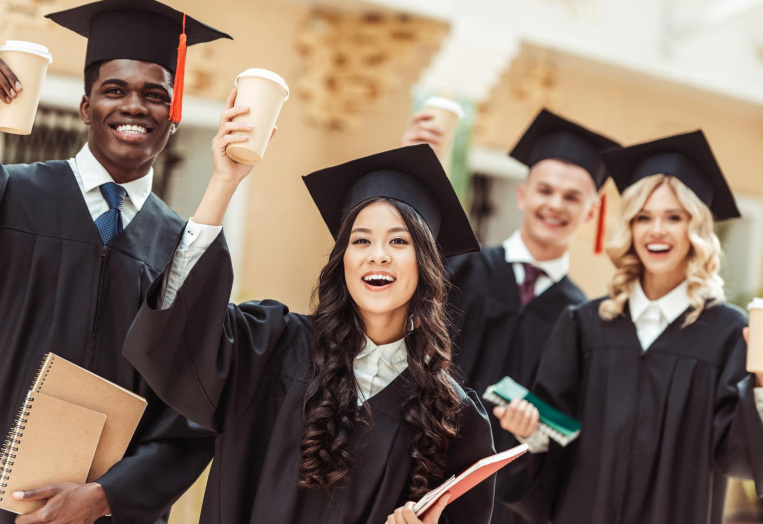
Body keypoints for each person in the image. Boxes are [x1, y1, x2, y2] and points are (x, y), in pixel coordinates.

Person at [121, 98, 496, 524]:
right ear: (343, 260)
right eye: (360, 240)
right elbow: (176, 333)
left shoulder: (452, 416)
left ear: (425, 263)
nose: (378, 256)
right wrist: (224, 183)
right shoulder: (271, 346)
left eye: (398, 241)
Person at [0, 1, 231, 522]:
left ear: (173, 116)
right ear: (86, 107)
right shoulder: (12, 196)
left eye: (155, 96)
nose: (134, 107)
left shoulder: (184, 247)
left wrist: (108, 495)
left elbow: (193, 411)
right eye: (114, 90)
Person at [495, 130, 763, 524]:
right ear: (629, 228)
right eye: (643, 217)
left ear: (696, 229)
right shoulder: (585, 324)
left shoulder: (727, 332)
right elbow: (555, 436)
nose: (656, 231)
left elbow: (741, 457)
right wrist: (528, 431)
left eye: (674, 217)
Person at [404, 108, 620, 524]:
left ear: (591, 212)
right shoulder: (459, 270)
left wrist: (534, 435)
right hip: (420, 474)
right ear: (523, 195)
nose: (555, 204)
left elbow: (577, 434)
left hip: (509, 502)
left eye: (573, 197)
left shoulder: (587, 320)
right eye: (545, 190)